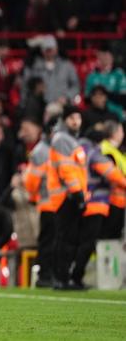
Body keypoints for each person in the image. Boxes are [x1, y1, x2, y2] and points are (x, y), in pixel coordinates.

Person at [71, 126, 126, 289]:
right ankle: (77, 276)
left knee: (80, 241)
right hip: (96, 203)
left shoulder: (78, 151)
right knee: (89, 243)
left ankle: (73, 275)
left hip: (80, 202)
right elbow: (112, 174)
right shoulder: (94, 153)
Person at [47, 105, 86, 290]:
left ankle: (63, 277)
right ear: (65, 120)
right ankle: (60, 277)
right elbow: (66, 169)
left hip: (71, 194)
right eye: (72, 118)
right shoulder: (62, 139)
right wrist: (77, 192)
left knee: (69, 239)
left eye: (78, 117)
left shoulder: (71, 140)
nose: (76, 121)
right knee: (64, 239)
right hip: (65, 196)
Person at [22, 118, 55, 287]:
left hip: (57, 202)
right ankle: (44, 275)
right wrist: (34, 197)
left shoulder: (53, 148)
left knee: (55, 240)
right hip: (48, 201)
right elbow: (31, 181)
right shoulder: (41, 151)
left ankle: (52, 274)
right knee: (48, 240)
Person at [21, 36, 79, 105]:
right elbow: (25, 86)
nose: (49, 52)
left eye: (51, 49)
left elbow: (76, 85)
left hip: (62, 104)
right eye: (47, 50)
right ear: (42, 51)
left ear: (56, 49)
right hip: (40, 104)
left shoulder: (67, 65)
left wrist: (67, 97)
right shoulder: (33, 66)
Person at [101, 121, 126, 239]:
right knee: (108, 237)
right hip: (110, 200)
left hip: (118, 201)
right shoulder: (107, 150)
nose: (123, 134)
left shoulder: (116, 151)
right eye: (121, 131)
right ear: (114, 133)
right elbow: (112, 175)